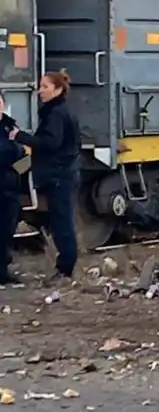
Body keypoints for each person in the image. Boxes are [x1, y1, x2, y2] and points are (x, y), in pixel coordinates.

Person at [8, 70, 81, 284]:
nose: (40, 91)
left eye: (45, 87)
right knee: (59, 222)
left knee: (62, 224)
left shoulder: (56, 114)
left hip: (59, 177)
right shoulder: (59, 111)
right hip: (61, 174)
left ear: (57, 90)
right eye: (40, 86)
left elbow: (50, 143)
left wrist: (20, 136)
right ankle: (64, 267)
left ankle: (65, 270)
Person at [0, 92, 25, 284]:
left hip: (10, 186)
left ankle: (2, 271)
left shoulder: (10, 126)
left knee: (7, 230)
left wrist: (19, 171)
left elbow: (23, 154)